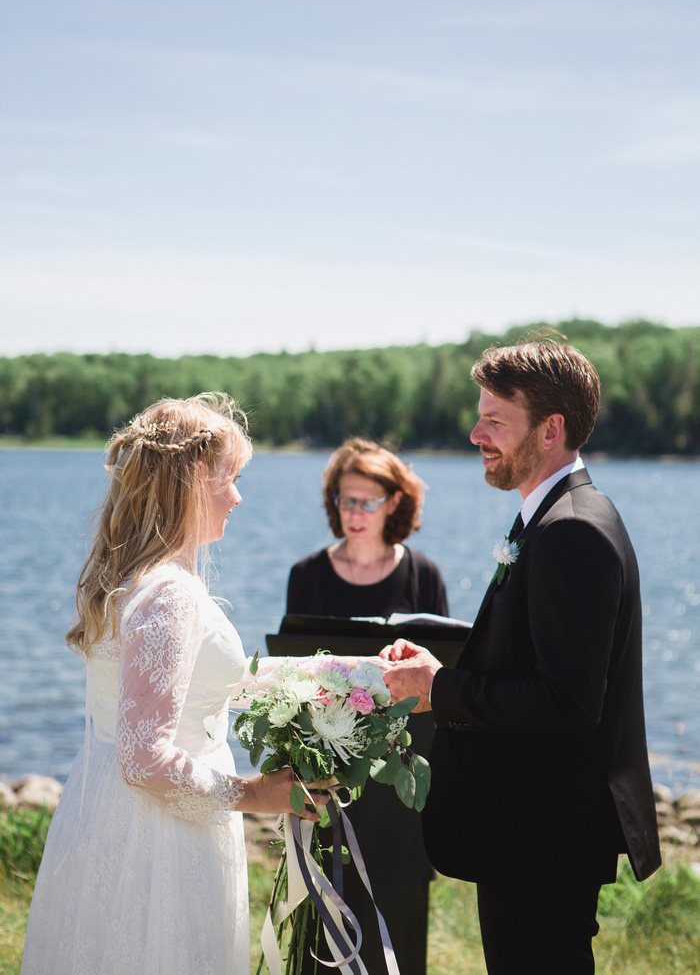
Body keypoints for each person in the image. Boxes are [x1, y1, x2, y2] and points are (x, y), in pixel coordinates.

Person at [381, 339, 661, 975]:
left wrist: (440, 688)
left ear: (550, 429)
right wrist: (440, 662)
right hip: (535, 828)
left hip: (544, 835)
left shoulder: (571, 531)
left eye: (496, 420)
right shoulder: (557, 516)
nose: (476, 432)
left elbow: (567, 701)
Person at [21, 393, 327, 975]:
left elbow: (193, 690)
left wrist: (340, 681)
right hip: (161, 835)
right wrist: (252, 793)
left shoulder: (134, 578)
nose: (237, 496)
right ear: (191, 479)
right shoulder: (169, 594)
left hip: (108, 812)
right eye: (230, 478)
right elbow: (146, 759)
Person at [286, 437, 449, 975]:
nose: (353, 513)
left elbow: (438, 690)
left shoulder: (424, 576)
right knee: (324, 917)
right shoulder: (306, 575)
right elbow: (290, 683)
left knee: (397, 921)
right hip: (327, 773)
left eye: (367, 502)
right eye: (344, 500)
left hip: (399, 778)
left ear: (395, 503)